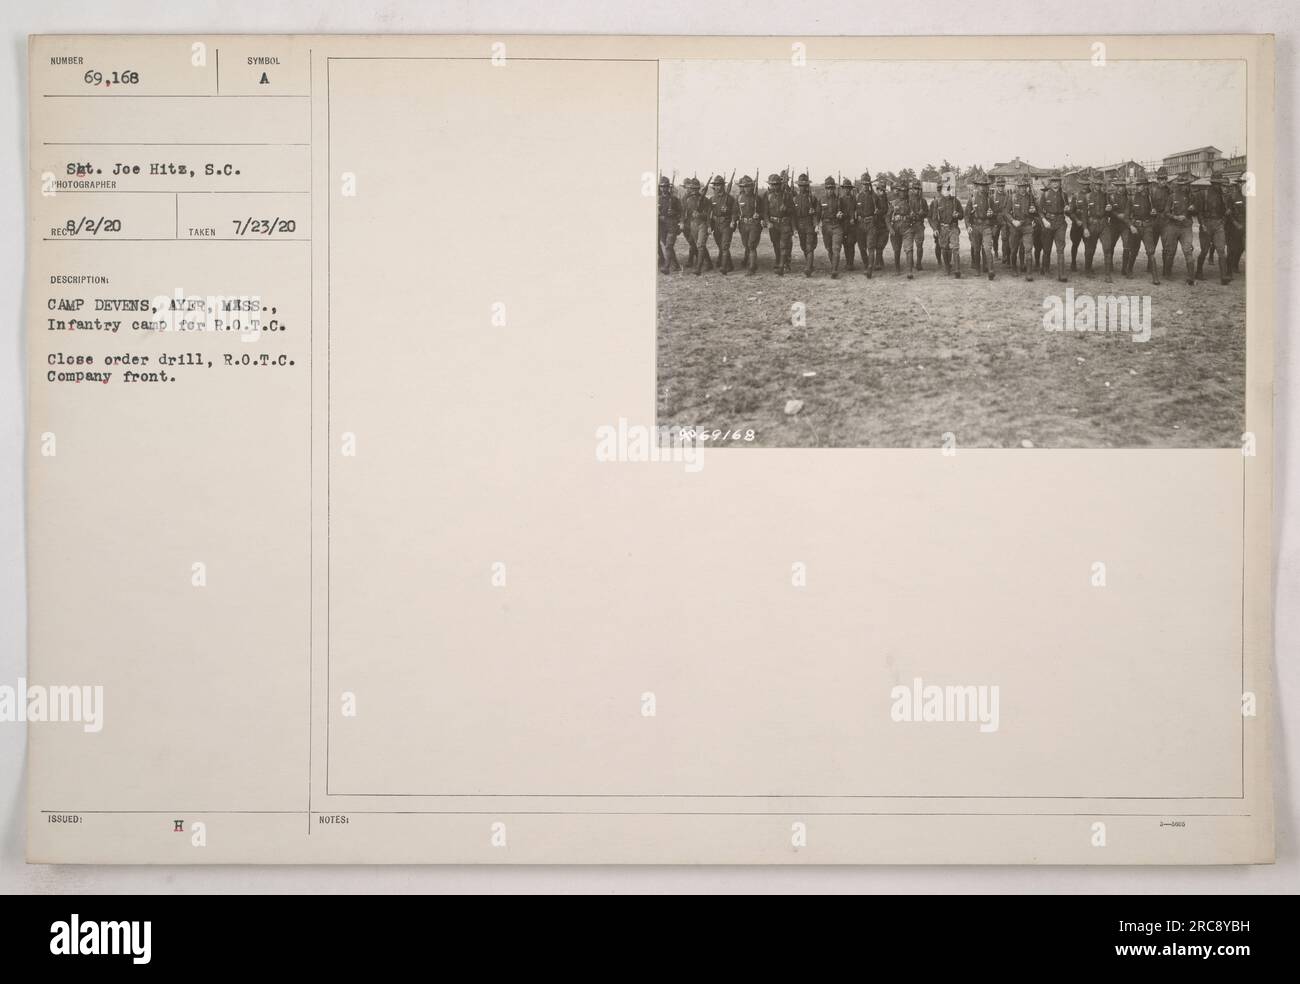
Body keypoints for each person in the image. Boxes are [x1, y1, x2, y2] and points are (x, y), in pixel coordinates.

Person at [1195, 169, 1235, 285]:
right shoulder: (1203, 194)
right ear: (1212, 183)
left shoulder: (1224, 196)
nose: (1219, 185)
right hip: (1206, 224)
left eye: (1220, 183)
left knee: (1221, 250)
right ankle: (1198, 271)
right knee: (1204, 251)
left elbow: (1225, 211)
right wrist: (1202, 225)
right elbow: (1199, 212)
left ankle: (1224, 276)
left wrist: (1225, 215)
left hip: (1218, 225)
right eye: (1217, 183)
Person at [1163, 172, 1197, 285]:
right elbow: (1166, 213)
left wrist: (1193, 209)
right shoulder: (1171, 197)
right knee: (1170, 251)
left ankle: (1191, 277)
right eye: (1182, 184)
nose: (1184, 187)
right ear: (1178, 185)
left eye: (1186, 184)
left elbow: (1197, 212)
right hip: (1173, 227)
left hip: (1186, 227)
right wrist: (1176, 217)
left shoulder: (1192, 197)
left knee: (1188, 250)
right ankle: (1167, 273)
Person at [1128, 173, 1162, 285]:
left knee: (1150, 252)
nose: (1138, 187)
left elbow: (1155, 214)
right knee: (1133, 251)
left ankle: (1155, 277)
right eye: (1138, 185)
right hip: (1136, 227)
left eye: (1141, 185)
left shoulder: (1151, 198)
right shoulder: (1132, 198)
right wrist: (1131, 226)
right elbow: (1127, 216)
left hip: (1147, 227)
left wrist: (1154, 213)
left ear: (1145, 186)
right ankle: (1129, 271)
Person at [929, 176, 964, 277]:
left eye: (949, 189)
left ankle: (957, 270)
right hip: (942, 228)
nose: (947, 191)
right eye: (945, 189)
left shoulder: (955, 201)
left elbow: (962, 215)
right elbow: (933, 218)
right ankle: (947, 267)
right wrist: (935, 229)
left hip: (953, 227)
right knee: (944, 248)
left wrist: (958, 215)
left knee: (955, 247)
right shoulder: (936, 202)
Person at [1038, 172, 1069, 283]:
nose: (1056, 183)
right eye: (1054, 181)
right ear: (1051, 183)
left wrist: (1068, 209)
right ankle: (1045, 267)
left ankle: (1062, 274)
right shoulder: (1045, 195)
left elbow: (1067, 208)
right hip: (1048, 223)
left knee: (1060, 248)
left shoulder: (1064, 195)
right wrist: (1044, 220)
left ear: (1060, 182)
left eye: (1058, 181)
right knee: (1047, 248)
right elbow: (1040, 211)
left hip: (1060, 223)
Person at [967, 175, 997, 280]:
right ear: (977, 186)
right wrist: (968, 226)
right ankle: (977, 269)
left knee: (988, 248)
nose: (983, 188)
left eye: (985, 185)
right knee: (976, 249)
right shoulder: (972, 199)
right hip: (975, 226)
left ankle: (990, 270)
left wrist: (992, 214)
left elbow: (995, 216)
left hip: (986, 226)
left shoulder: (990, 199)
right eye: (980, 185)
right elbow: (967, 215)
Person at [764, 172, 795, 276]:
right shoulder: (767, 196)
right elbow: (765, 211)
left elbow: (793, 211)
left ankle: (781, 266)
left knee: (783, 245)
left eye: (776, 184)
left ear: (780, 184)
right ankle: (779, 262)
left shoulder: (787, 195)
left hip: (784, 223)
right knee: (776, 244)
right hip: (773, 224)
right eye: (772, 184)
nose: (774, 186)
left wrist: (786, 209)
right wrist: (768, 222)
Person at [735, 174, 763, 276]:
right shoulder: (739, 198)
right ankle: (752, 263)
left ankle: (751, 268)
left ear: (752, 187)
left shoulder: (757, 199)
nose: (747, 188)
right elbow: (735, 211)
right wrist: (733, 220)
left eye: (749, 186)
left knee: (751, 245)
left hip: (754, 225)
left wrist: (758, 215)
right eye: (745, 186)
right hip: (743, 225)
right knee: (746, 245)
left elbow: (764, 212)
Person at [793, 173, 820, 277]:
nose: (802, 187)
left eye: (804, 185)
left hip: (809, 224)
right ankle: (810, 264)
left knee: (809, 247)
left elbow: (818, 212)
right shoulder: (795, 199)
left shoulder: (812, 198)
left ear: (807, 186)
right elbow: (793, 215)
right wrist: (795, 229)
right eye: (800, 185)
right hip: (800, 226)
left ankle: (808, 268)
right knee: (803, 246)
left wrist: (816, 222)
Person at [854, 171, 878, 278]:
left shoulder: (874, 197)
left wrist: (875, 216)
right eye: (863, 184)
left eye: (867, 184)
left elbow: (881, 210)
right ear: (861, 184)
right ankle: (866, 264)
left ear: (870, 184)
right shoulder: (858, 196)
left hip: (871, 223)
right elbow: (854, 209)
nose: (865, 186)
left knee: (870, 247)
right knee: (861, 247)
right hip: (860, 224)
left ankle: (869, 268)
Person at [657, 176, 681, 274]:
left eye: (666, 186)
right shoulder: (657, 199)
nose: (664, 188)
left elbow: (681, 212)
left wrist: (674, 213)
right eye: (662, 186)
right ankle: (676, 265)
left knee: (668, 246)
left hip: (672, 225)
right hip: (662, 226)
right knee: (667, 246)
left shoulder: (674, 199)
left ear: (668, 187)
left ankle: (666, 267)